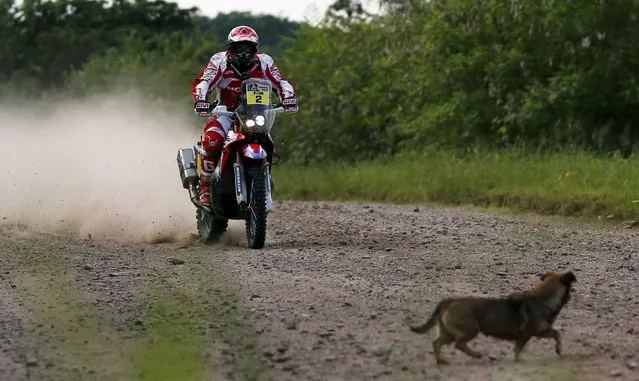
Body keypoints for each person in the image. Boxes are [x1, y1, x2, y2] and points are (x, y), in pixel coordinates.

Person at [191, 25, 299, 206]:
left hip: (256, 114)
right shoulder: (219, 61)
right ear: (230, 47)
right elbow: (204, 82)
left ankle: (263, 182)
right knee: (213, 138)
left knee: (267, 141)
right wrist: (201, 100)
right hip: (225, 112)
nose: (243, 53)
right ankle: (206, 186)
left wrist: (289, 98)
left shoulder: (265, 62)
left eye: (247, 48)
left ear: (255, 48)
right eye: (239, 48)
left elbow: (280, 82)